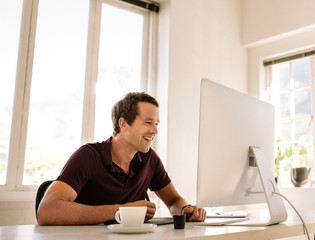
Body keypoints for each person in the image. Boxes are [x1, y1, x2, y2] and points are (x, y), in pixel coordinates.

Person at [37, 92, 206, 225]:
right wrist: (120, 211)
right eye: (148, 122)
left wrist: (185, 210)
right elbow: (47, 211)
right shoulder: (88, 156)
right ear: (123, 124)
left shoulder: (149, 159)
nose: (155, 130)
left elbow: (174, 201)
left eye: (156, 123)